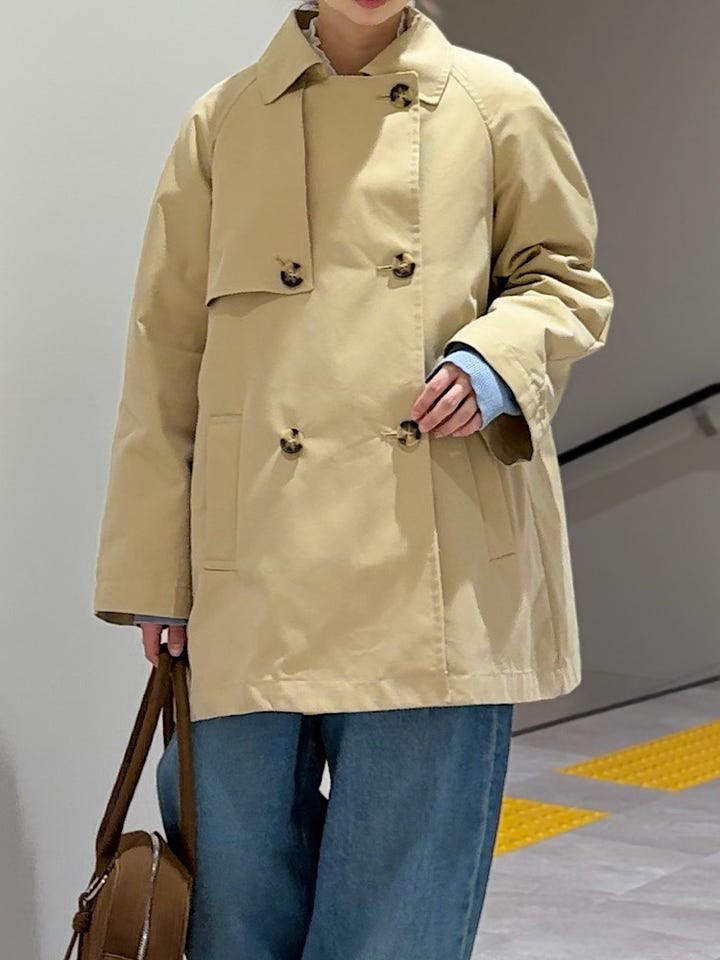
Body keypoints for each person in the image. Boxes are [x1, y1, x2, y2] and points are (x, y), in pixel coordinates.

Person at [91, 1, 614, 957]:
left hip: (434, 576)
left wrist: (495, 360)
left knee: (397, 926)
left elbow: (565, 278)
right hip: (250, 570)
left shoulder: (495, 104)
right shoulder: (222, 122)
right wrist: (152, 577)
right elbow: (164, 355)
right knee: (231, 916)